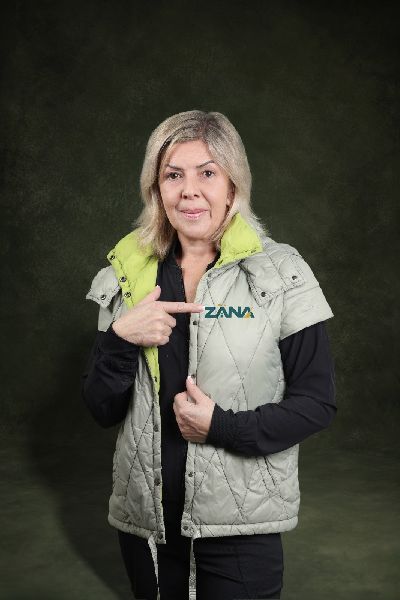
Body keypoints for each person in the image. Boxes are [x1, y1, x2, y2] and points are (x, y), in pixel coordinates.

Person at [82, 110, 337, 600]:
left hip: (240, 529)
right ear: (156, 189)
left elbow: (317, 403)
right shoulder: (125, 277)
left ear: (233, 185)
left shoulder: (282, 274)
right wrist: (120, 339)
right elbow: (102, 408)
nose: (189, 191)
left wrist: (221, 427)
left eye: (207, 173)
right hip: (148, 531)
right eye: (173, 175)